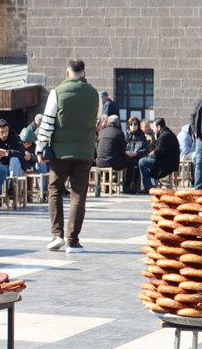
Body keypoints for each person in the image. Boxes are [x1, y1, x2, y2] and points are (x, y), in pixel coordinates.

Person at [36, 59, 99, 253]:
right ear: (84, 73)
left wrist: (40, 148)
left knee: (55, 190)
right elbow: (96, 120)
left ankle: (57, 235)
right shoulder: (95, 95)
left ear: (67, 73)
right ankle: (73, 240)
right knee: (78, 195)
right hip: (85, 152)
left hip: (60, 153)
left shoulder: (57, 93)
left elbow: (46, 123)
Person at [96, 115, 138, 193]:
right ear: (118, 123)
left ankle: (107, 188)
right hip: (113, 163)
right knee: (131, 161)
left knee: (110, 157)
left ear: (108, 122)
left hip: (100, 162)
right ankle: (127, 186)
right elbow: (122, 153)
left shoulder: (102, 132)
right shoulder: (119, 133)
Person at [138, 118, 180, 192]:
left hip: (167, 164)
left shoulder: (164, 136)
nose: (152, 129)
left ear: (158, 127)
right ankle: (152, 184)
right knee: (148, 161)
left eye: (154, 127)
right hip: (168, 161)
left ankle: (148, 187)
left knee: (142, 162)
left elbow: (158, 153)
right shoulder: (167, 133)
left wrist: (151, 155)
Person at [123, 116, 149, 193]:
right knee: (128, 162)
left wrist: (136, 153)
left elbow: (145, 149)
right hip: (127, 157)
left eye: (135, 124)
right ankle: (127, 185)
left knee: (139, 163)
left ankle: (135, 185)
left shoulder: (141, 136)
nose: (133, 126)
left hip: (137, 157)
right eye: (131, 124)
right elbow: (122, 147)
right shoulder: (126, 135)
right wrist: (127, 152)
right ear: (128, 125)